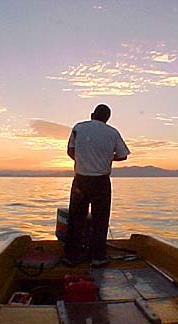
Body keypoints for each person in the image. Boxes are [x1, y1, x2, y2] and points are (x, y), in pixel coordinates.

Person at [64, 104, 130, 267]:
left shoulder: (78, 127)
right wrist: (107, 158)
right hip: (101, 182)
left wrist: (83, 160)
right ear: (107, 118)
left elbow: (70, 151)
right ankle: (98, 257)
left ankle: (72, 256)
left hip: (80, 180)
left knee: (76, 218)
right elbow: (123, 156)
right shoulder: (112, 132)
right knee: (100, 220)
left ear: (92, 114)